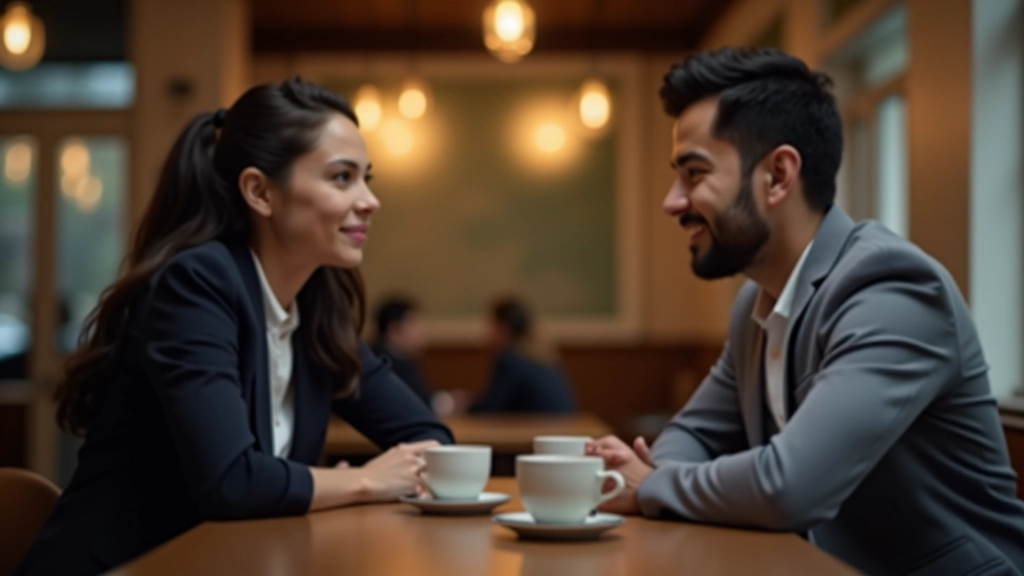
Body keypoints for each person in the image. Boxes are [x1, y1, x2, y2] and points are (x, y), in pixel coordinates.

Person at [586, 48, 1024, 575]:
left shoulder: (893, 288)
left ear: (777, 175)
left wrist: (652, 484)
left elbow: (789, 487)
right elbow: (693, 434)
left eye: (694, 174)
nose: (672, 202)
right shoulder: (758, 300)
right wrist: (662, 479)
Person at [15, 78, 453, 576]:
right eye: (341, 178)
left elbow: (430, 438)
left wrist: (333, 484)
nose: (369, 200)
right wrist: (363, 483)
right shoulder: (196, 285)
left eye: (367, 178)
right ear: (259, 192)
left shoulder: (315, 309)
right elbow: (231, 481)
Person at [469, 298, 576, 414]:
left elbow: (489, 410)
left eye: (491, 325)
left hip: (540, 429)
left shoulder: (511, 360)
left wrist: (465, 405)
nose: (486, 332)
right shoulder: (540, 355)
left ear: (503, 329)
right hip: (562, 428)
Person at [373, 297, 434, 407]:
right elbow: (417, 402)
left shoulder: (406, 361)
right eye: (413, 323)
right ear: (394, 330)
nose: (421, 331)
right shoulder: (380, 365)